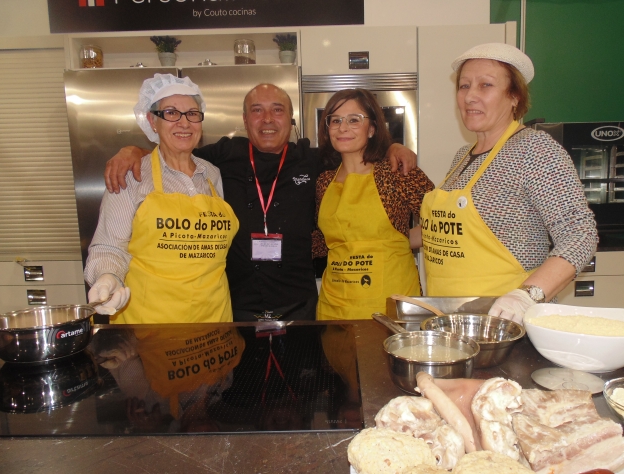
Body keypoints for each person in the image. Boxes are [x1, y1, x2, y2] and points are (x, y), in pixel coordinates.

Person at [104, 84, 417, 322]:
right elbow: (174, 150)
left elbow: (359, 151)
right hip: (237, 306)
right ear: (244, 119)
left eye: (278, 110)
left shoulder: (314, 161)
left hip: (300, 304)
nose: (268, 119)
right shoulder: (219, 158)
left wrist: (394, 146)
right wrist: (134, 150)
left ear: (291, 119)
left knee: (302, 397)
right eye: (257, 110)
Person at [419, 43, 598, 324]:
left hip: (507, 327)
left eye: (485, 85)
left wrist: (526, 295)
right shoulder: (462, 156)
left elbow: (580, 235)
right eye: (464, 86)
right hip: (453, 320)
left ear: (514, 96)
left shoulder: (533, 149)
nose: (470, 97)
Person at [85, 73, 239, 323]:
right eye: (171, 113)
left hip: (213, 320)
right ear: (152, 121)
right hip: (150, 325)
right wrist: (108, 277)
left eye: (192, 113)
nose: (184, 122)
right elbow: (109, 246)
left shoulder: (211, 173)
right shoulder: (133, 174)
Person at [312, 89, 434, 320]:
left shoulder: (396, 171)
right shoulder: (324, 181)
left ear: (372, 129)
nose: (343, 127)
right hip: (334, 306)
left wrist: (397, 241)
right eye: (335, 120)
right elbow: (323, 240)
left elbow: (442, 223)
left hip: (391, 305)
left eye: (354, 120)